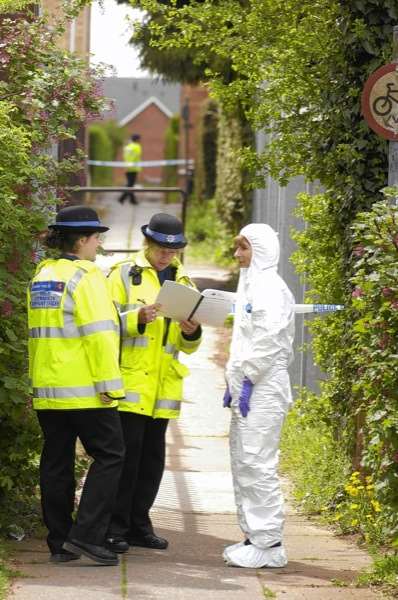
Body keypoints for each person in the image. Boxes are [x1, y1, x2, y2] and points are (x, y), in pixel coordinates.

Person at [27, 205, 126, 566]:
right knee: (111, 454)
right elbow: (99, 335)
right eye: (97, 237)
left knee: (56, 462)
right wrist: (109, 385)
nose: (98, 244)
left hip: (48, 389)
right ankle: (87, 535)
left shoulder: (43, 275)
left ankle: (60, 541)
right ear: (82, 239)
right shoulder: (88, 277)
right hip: (85, 388)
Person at [105, 213, 202, 554]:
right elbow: (101, 325)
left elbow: (188, 347)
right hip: (130, 383)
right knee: (125, 460)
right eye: (161, 248)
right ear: (148, 243)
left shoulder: (185, 284)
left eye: (173, 251)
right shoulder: (122, 275)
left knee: (151, 463)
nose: (166, 255)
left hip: (163, 388)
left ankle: (139, 525)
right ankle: (113, 528)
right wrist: (136, 319)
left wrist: (193, 331)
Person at [222, 223, 295, 569]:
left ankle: (270, 542)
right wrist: (233, 379)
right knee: (243, 461)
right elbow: (245, 339)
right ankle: (255, 536)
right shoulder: (252, 285)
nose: (237, 254)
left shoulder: (269, 287)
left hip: (263, 388)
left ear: (261, 250)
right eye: (237, 247)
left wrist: (247, 377)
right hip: (251, 385)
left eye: (244, 248)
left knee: (258, 462)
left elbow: (268, 340)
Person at [118, 133, 142, 205]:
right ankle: (122, 198)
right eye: (139, 139)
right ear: (137, 139)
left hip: (127, 167)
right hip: (133, 168)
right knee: (130, 185)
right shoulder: (137, 146)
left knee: (130, 185)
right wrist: (131, 164)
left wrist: (127, 165)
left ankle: (132, 200)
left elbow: (125, 156)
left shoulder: (127, 147)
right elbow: (136, 156)